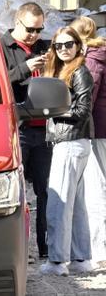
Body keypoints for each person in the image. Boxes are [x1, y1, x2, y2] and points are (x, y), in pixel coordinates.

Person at [40, 27, 97, 276]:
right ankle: (80, 258)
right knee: (76, 203)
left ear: (78, 45)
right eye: (58, 45)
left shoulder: (80, 71)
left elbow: (83, 110)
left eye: (68, 44)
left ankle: (56, 261)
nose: (63, 48)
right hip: (74, 142)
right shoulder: (64, 70)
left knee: (59, 203)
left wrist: (50, 111)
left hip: (72, 142)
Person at [2, 2, 52, 260]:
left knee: (46, 192)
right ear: (17, 22)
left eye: (39, 29)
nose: (34, 35)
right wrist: (26, 66)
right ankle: (17, 249)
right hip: (18, 128)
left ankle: (45, 249)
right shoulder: (2, 46)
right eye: (30, 29)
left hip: (45, 130)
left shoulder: (46, 47)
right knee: (17, 193)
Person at [70, 16, 106, 265]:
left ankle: (98, 250)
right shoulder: (100, 54)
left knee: (96, 189)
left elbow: (88, 99)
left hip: (98, 129)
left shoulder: (92, 60)